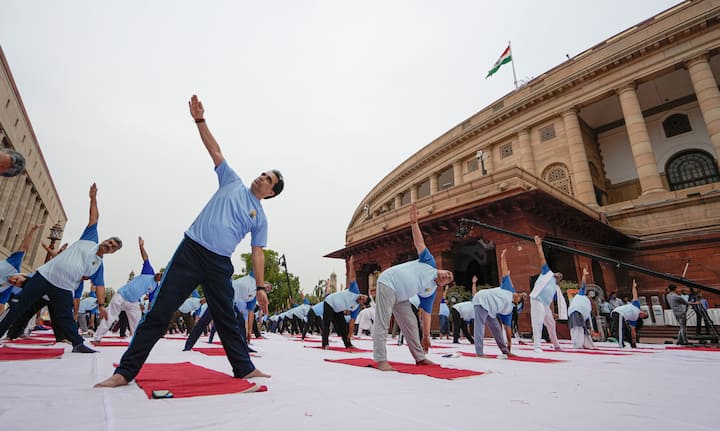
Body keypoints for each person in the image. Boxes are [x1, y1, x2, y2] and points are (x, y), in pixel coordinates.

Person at [95, 95, 281, 388]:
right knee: (159, 312)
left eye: (268, 180)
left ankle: (244, 368)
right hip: (191, 252)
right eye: (262, 174)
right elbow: (215, 150)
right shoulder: (232, 181)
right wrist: (200, 120)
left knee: (226, 319)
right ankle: (125, 372)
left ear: (272, 193)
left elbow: (257, 253)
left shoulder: (260, 218)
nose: (261, 179)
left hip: (219, 264)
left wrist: (260, 288)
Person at [0, 183, 122, 353]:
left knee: (65, 317)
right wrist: (93, 198)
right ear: (105, 240)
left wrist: (101, 306)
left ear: (113, 252)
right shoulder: (90, 238)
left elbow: (100, 285)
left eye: (112, 247)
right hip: (44, 276)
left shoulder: (99, 266)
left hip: (64, 287)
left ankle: (78, 344)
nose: (109, 245)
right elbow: (94, 218)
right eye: (109, 242)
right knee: (19, 306)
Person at [372, 203, 454, 371]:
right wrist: (414, 223)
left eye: (448, 279)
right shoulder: (429, 262)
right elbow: (419, 242)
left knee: (411, 324)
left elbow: (427, 314)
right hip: (388, 283)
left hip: (401, 298)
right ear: (442, 269)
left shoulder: (431, 291)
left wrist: (426, 336)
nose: (446, 275)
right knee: (383, 321)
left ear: (444, 284)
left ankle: (420, 358)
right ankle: (381, 359)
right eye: (447, 272)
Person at [92, 237, 162, 343]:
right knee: (110, 316)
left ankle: (137, 341)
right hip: (121, 295)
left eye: (161, 275)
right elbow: (145, 258)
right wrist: (141, 247)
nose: (158, 274)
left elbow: (151, 301)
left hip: (133, 302)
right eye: (159, 272)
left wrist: (148, 310)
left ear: (161, 279)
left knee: (137, 321)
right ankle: (97, 337)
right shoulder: (149, 271)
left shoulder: (155, 287)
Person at [471, 249, 527, 358]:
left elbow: (508, 328)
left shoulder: (508, 312)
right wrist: (502, 257)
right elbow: (505, 272)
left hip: (491, 310)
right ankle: (479, 352)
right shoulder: (509, 289)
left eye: (519, 298)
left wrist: (509, 346)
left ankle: (504, 350)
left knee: (496, 329)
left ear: (516, 304)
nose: (517, 295)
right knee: (480, 326)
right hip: (481, 300)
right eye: (519, 295)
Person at [529, 235, 567, 353]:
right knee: (538, 322)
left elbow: (555, 301)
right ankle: (537, 346)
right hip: (536, 300)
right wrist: (539, 245)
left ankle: (556, 345)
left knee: (551, 323)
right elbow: (542, 259)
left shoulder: (556, 288)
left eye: (561, 276)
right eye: (558, 273)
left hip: (545, 305)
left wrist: (556, 312)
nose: (559, 275)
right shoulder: (547, 274)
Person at [322, 258, 368, 349]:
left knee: (343, 327)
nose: (361, 297)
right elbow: (352, 277)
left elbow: (352, 322)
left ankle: (348, 344)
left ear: (362, 303)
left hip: (337, 309)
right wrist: (351, 264)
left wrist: (350, 335)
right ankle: (325, 344)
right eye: (363, 295)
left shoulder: (356, 308)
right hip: (329, 302)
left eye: (363, 299)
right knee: (326, 323)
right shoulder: (355, 290)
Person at [0, 224, 41, 312]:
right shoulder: (14, 264)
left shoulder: (7, 288)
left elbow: (1, 305)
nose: (12, 281)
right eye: (16, 279)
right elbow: (24, 247)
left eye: (14, 284)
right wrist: (33, 230)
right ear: (21, 275)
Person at [610, 280, 648, 348]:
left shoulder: (634, 319)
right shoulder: (637, 306)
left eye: (643, 316)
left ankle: (631, 343)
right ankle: (621, 344)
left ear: (641, 317)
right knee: (621, 328)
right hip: (618, 312)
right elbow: (635, 294)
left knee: (626, 329)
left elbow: (633, 331)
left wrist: (634, 339)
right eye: (643, 313)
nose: (642, 314)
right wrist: (634, 286)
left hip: (621, 315)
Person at [567, 268, 597, 349]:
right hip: (576, 311)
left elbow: (587, 321)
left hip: (580, 314)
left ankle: (587, 345)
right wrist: (584, 275)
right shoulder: (581, 295)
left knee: (583, 329)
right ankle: (577, 345)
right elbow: (583, 285)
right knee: (577, 328)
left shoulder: (588, 306)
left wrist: (591, 329)